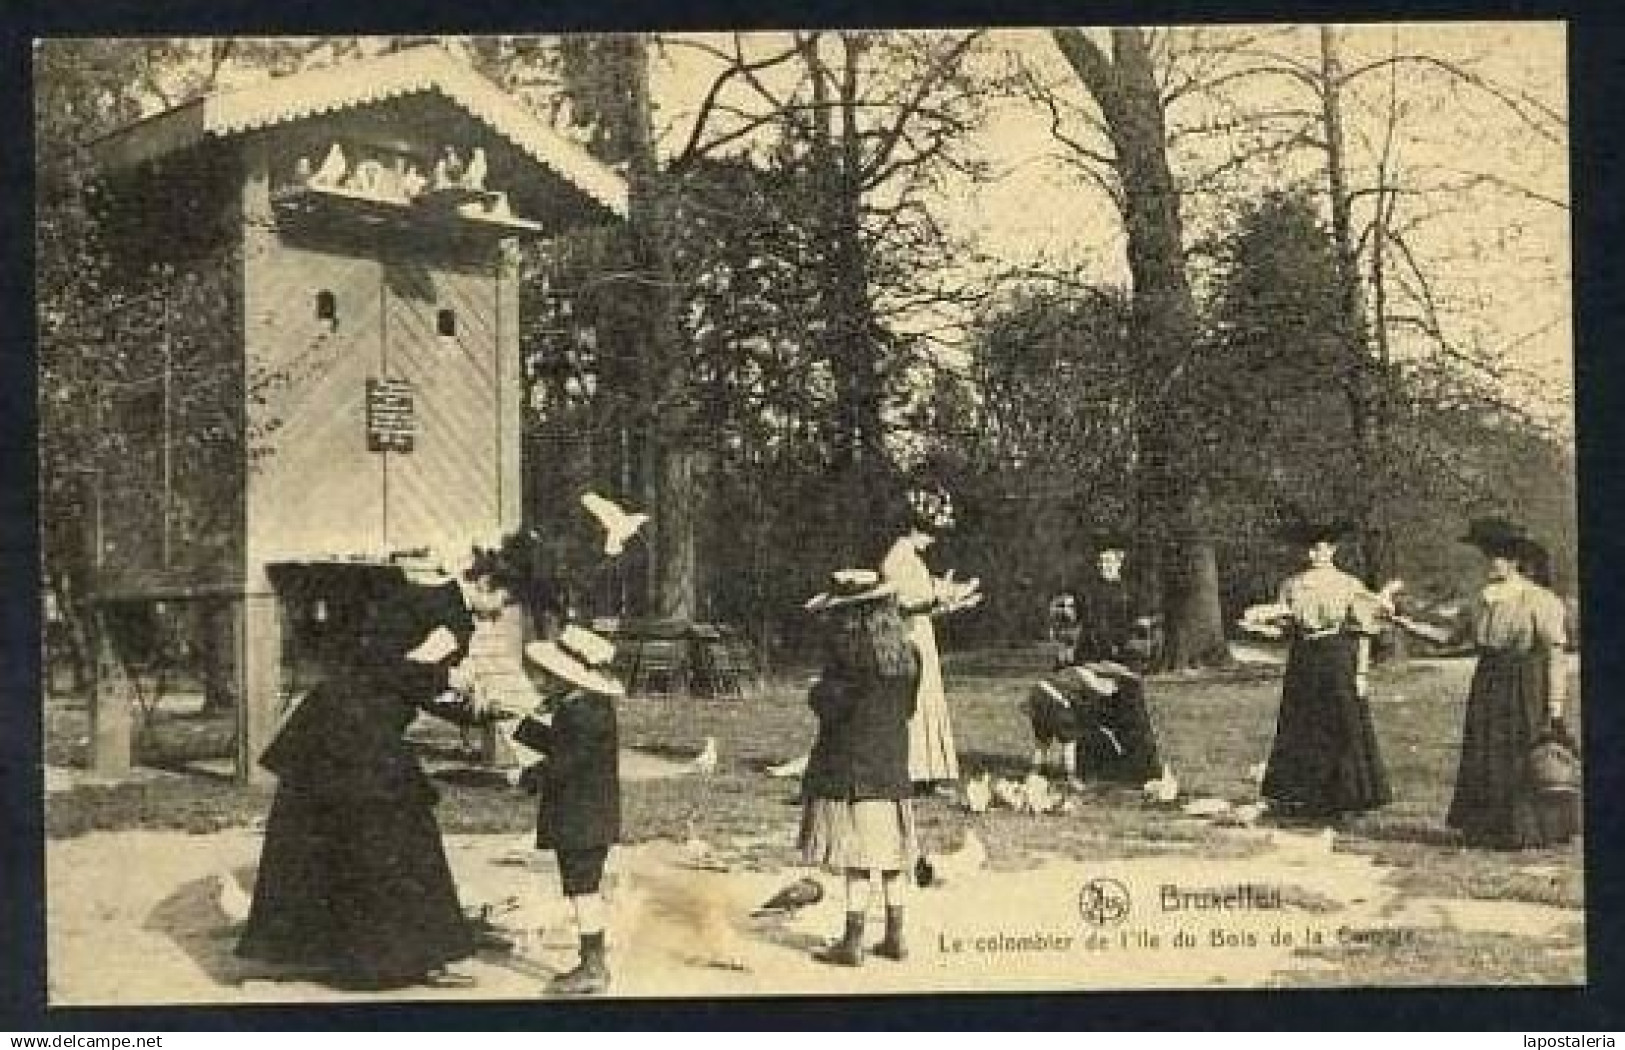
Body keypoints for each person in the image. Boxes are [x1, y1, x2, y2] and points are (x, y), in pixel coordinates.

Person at [237, 552, 481, 990]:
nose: (503, 611)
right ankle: (402, 958)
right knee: (400, 834)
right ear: (487, 585)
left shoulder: (418, 601)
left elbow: (391, 673)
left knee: (314, 832)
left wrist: (457, 703)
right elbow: (393, 669)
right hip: (357, 733)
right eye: (508, 598)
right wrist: (450, 684)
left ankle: (313, 950)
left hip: (332, 724)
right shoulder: (449, 617)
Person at [797, 569, 922, 967]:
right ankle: (895, 937)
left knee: (858, 856)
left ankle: (851, 942)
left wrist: (816, 691)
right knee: (892, 857)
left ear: (852, 614)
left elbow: (832, 707)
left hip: (853, 767)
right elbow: (908, 709)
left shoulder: (848, 656)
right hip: (891, 764)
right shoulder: (908, 655)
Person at [1443, 519, 1574, 849]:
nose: (1491, 563)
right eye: (1487, 556)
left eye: (1497, 557)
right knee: (1485, 748)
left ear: (1515, 560)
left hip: (1524, 683)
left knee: (1522, 752)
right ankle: (1485, 827)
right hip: (1488, 680)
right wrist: (1401, 622)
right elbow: (1452, 639)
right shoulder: (1481, 600)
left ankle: (1526, 830)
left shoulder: (1538, 599)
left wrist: (1555, 705)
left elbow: (1555, 653)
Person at [512, 624, 625, 995]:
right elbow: (561, 746)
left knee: (583, 890)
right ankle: (591, 961)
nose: (540, 682)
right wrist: (522, 722)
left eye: (546, 677)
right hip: (590, 815)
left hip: (581, 817)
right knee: (582, 887)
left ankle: (593, 966)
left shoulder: (581, 715)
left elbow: (564, 762)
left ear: (567, 676)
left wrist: (524, 777)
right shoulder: (585, 707)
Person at [1258, 519, 1394, 824]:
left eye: (1322, 547)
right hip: (1304, 657)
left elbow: (1363, 631)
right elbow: (1286, 627)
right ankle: (1303, 797)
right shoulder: (1292, 585)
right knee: (1303, 723)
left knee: (1341, 725)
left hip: (1337, 656)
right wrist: (1263, 626)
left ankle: (1345, 798)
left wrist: (1361, 674)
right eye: (1311, 548)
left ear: (1332, 550)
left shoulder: (1348, 585)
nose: (1316, 553)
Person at [879, 487, 972, 790]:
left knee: (927, 699)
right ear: (915, 528)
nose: (933, 540)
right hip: (907, 636)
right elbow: (900, 602)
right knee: (914, 701)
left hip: (920, 633)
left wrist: (952, 600)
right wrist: (939, 596)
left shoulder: (912, 558)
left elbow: (923, 601)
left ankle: (927, 773)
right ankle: (913, 772)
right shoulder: (897, 557)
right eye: (930, 532)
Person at [1023, 660, 1161, 787]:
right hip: (1055, 699)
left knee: (1042, 743)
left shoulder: (1078, 670)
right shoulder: (1094, 681)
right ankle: (1072, 779)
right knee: (1070, 742)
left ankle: (1033, 774)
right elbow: (1102, 698)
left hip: (1037, 693)